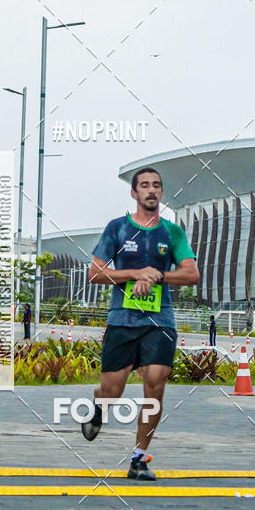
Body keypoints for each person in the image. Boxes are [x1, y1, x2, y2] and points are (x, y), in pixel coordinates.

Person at [82, 167, 199, 481]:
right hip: (122, 321)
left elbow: (191, 274)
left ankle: (138, 458)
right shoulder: (117, 229)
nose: (151, 190)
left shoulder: (172, 233)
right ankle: (99, 404)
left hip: (159, 321)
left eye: (156, 186)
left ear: (161, 193)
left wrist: (157, 275)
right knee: (113, 390)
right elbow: (95, 273)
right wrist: (135, 273)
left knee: (156, 383)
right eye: (144, 186)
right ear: (134, 193)